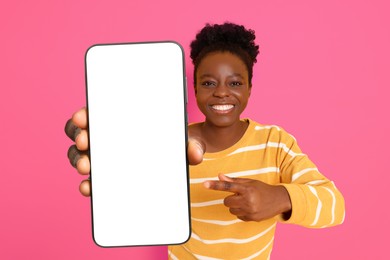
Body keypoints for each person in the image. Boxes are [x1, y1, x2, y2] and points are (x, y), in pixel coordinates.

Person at [65, 22, 345, 259]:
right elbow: (138, 189)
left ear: (249, 88)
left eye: (234, 83)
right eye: (209, 83)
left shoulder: (276, 142)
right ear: (195, 88)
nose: (222, 93)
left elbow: (335, 206)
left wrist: (280, 197)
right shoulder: (170, 141)